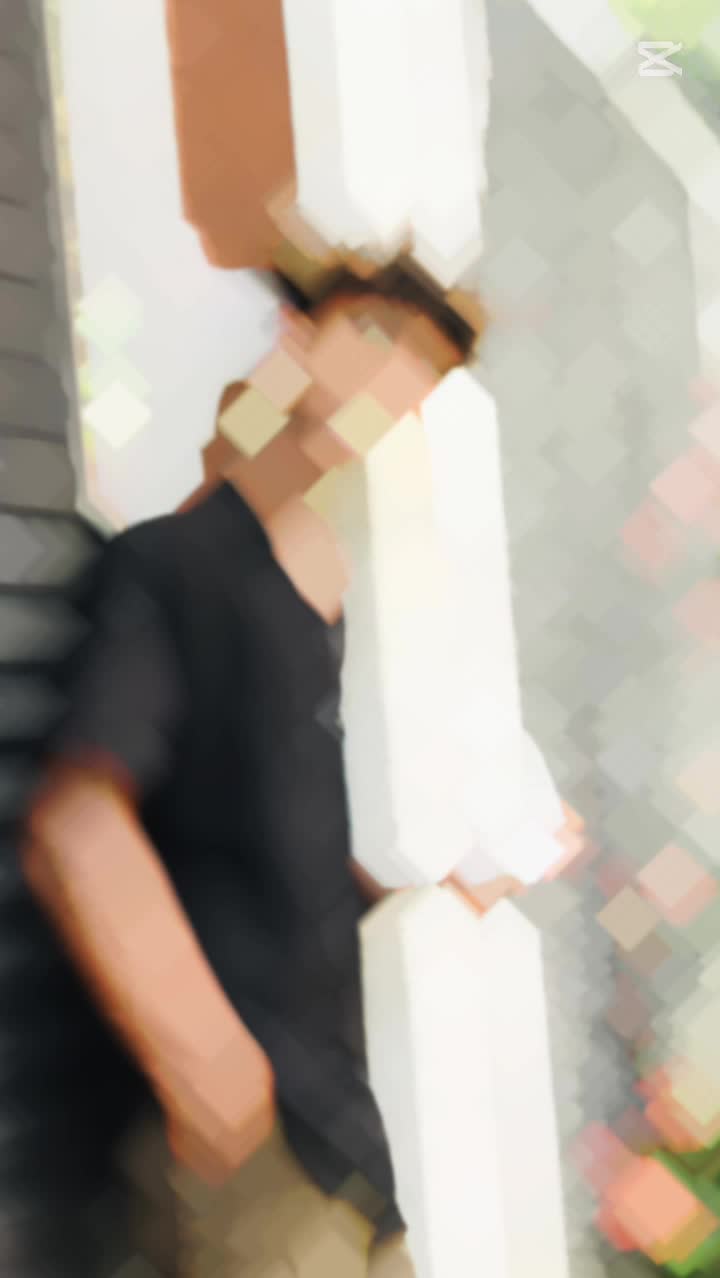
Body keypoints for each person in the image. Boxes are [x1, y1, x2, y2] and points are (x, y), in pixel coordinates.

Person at [23, 262, 509, 1277]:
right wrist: (204, 1059)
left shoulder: (329, 600)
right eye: (373, 340)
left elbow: (271, 845)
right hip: (249, 1136)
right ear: (296, 337)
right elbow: (78, 825)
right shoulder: (175, 565)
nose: (389, 386)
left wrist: (432, 878)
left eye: (419, 375)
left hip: (339, 1128)